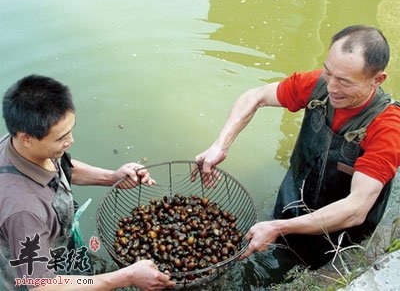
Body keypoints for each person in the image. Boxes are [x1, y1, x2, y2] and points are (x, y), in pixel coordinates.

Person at [193, 25, 400, 275]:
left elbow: (355, 210)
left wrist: (278, 227)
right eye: (328, 72)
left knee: (316, 273)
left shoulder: (388, 128)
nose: (332, 87)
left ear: (377, 80)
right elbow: (255, 96)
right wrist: (220, 146)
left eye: (344, 81)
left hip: (340, 232)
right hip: (293, 200)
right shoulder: (317, 85)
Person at [0, 75, 175, 290]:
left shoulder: (20, 145)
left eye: (70, 130)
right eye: (61, 138)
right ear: (26, 138)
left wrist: (112, 177)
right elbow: (42, 286)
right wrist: (125, 277)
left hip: (60, 250)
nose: (71, 141)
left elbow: (60, 167)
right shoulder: (23, 211)